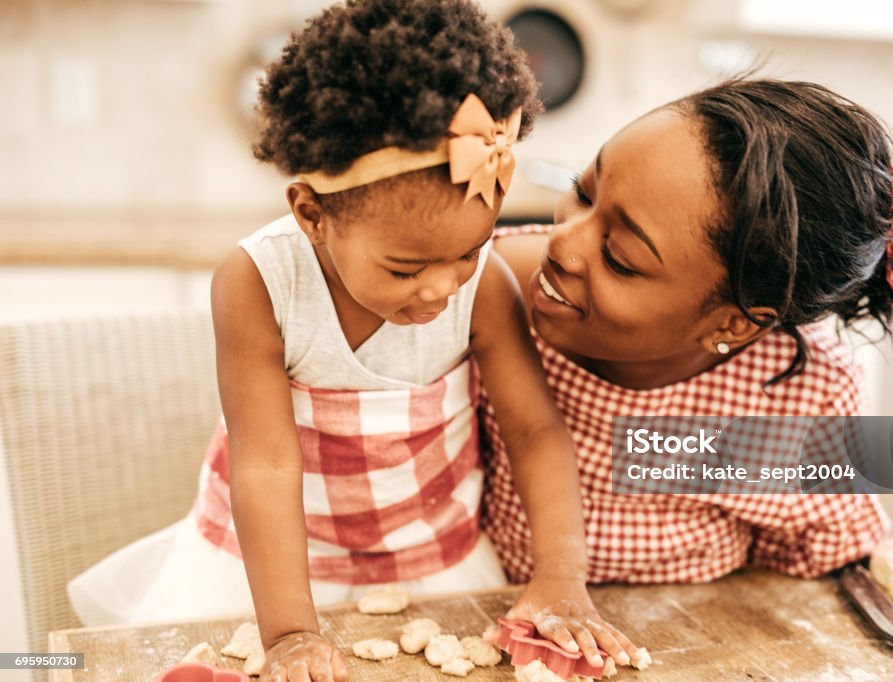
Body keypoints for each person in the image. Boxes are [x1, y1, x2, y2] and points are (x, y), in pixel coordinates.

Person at [68, 1, 639, 679]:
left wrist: (562, 579)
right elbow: (266, 464)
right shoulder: (257, 285)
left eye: (469, 251)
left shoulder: (483, 287)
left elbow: (534, 430)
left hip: (437, 562)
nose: (441, 288)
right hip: (273, 573)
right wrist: (287, 634)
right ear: (312, 214)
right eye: (405, 268)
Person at [482, 78, 893, 586]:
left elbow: (831, 566)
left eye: (619, 258)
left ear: (734, 324)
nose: (561, 242)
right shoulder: (488, 285)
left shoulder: (798, 404)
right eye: (583, 192)